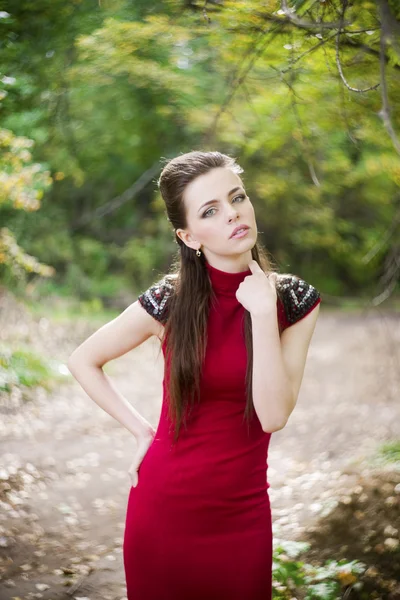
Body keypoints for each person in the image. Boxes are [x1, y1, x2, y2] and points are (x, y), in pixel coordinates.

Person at [68, 150, 321, 600]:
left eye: (237, 197)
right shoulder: (169, 300)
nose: (233, 214)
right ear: (188, 236)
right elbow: (83, 360)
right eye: (211, 211)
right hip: (163, 511)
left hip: (243, 518)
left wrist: (262, 312)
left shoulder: (294, 302)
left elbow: (272, 415)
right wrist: (142, 431)